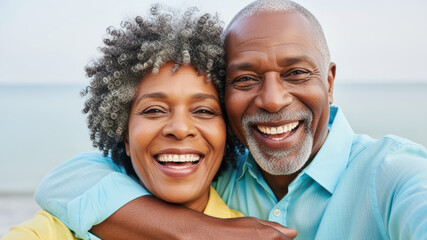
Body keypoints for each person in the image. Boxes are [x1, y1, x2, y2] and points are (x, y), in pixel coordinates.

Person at [34, 0, 427, 239]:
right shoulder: (220, 172)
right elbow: (66, 181)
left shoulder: (392, 175)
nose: (273, 99)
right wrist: (205, 232)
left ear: (330, 82)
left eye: (296, 73)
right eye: (245, 79)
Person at [3, 5, 299, 240]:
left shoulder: (253, 234)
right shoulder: (56, 230)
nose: (180, 128)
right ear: (125, 136)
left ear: (227, 134)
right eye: (154, 110)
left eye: (205, 111)